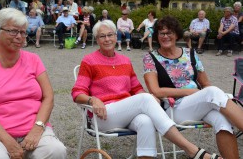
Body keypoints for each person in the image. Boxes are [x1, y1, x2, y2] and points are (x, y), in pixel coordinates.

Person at [72, 19, 221, 159]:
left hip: (126, 113)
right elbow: (77, 92)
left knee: (146, 121)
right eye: (102, 36)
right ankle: (191, 149)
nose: (107, 39)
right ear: (97, 40)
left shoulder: (124, 60)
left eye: (110, 35)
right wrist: (92, 99)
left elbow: (137, 89)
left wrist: (153, 99)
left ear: (115, 35)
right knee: (145, 99)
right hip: (103, 115)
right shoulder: (89, 61)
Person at [0, 8, 66, 159]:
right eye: (13, 31)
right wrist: (8, 142)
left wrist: (38, 128)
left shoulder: (33, 60)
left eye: (23, 32)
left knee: (56, 151)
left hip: (32, 128)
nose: (19, 37)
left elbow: (48, 96)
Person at [143, 15, 243, 159]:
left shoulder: (190, 53)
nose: (165, 36)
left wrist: (206, 95)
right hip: (174, 108)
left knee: (223, 121)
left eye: (169, 32)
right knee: (213, 92)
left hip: (199, 104)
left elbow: (206, 83)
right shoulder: (150, 58)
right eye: (161, 33)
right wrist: (192, 91)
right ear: (157, 36)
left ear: (176, 34)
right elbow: (155, 90)